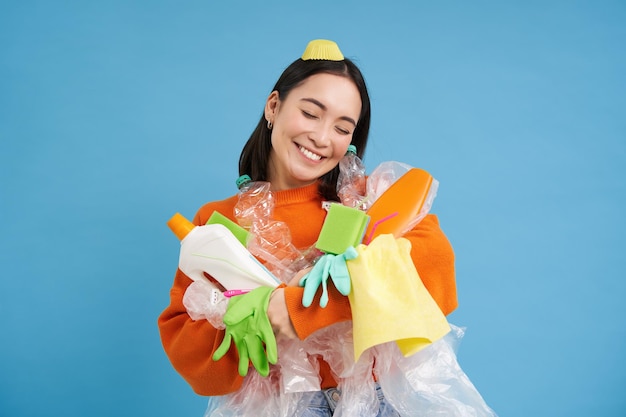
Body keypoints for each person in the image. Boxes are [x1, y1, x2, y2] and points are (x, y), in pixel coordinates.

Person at [158, 39, 458, 416]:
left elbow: (435, 272)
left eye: (342, 127)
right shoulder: (220, 224)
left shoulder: (368, 203)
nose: (321, 138)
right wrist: (251, 323)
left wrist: (299, 307)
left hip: (374, 403)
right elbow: (191, 358)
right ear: (273, 106)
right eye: (311, 113)